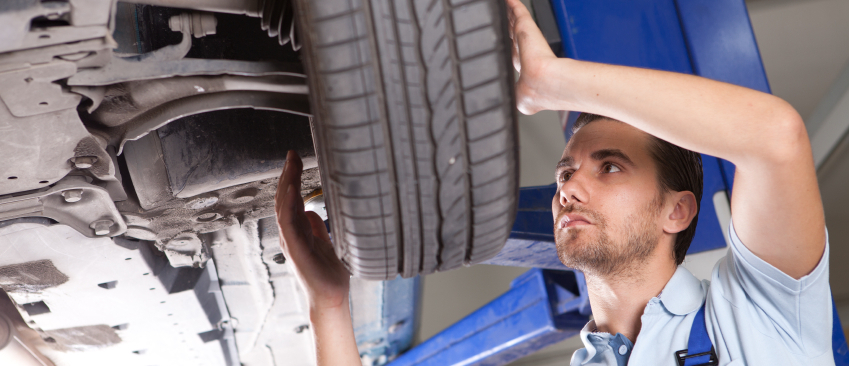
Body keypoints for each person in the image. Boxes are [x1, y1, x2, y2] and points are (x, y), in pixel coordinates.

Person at [273, 0, 832, 364]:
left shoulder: (761, 313)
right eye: (567, 171)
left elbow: (776, 137)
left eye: (609, 166)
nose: (568, 186)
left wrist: (555, 84)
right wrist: (328, 305)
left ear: (678, 211)